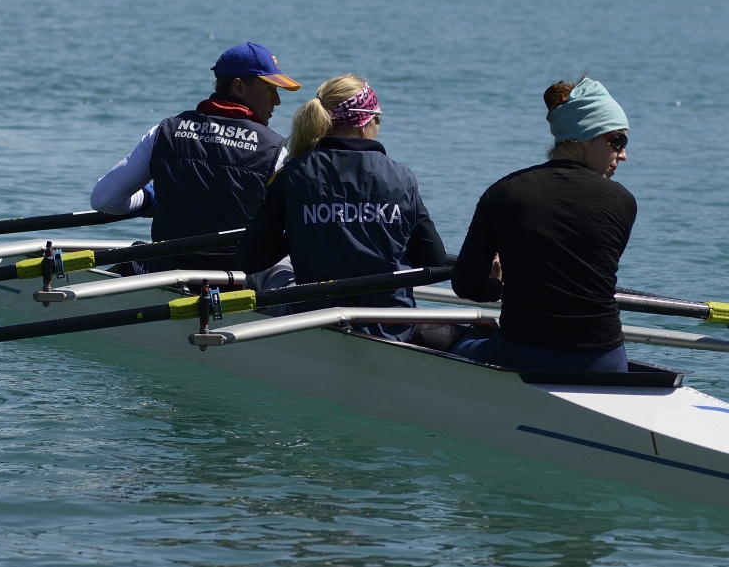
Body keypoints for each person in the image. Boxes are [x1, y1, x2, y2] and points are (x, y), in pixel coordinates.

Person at [449, 76, 636, 372]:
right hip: (604, 362)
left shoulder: (503, 193)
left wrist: (497, 285)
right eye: (618, 140)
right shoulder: (623, 201)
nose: (623, 154)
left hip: (522, 354)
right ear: (586, 135)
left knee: (448, 339)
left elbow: (465, 285)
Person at [237, 76, 448, 335]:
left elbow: (251, 258)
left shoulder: (292, 175)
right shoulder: (402, 178)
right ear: (363, 123)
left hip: (314, 321)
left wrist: (296, 234)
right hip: (392, 326)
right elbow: (434, 261)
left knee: (267, 270)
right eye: (378, 119)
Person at [91, 42, 301, 268]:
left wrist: (151, 198)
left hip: (167, 273)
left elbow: (103, 200)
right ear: (239, 87)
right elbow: (295, 225)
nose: (277, 100)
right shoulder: (276, 150)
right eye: (270, 90)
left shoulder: (164, 133)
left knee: (133, 256)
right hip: (235, 278)